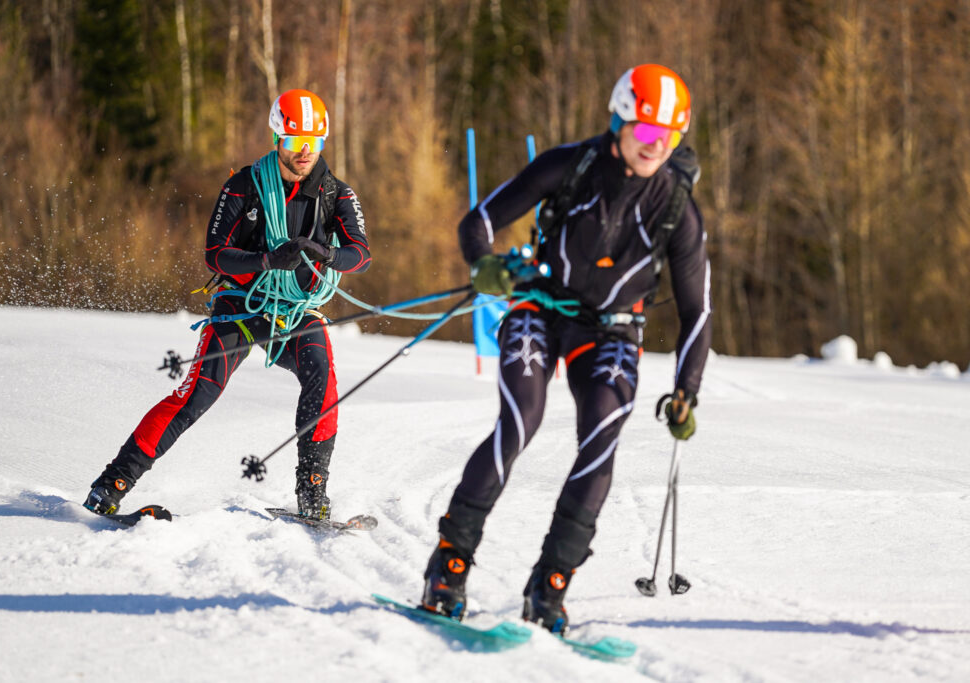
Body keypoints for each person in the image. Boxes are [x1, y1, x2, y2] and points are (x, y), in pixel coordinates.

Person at [420, 64, 712, 633]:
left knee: (602, 439)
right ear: (619, 121)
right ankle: (448, 567)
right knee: (520, 421)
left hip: (611, 333)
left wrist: (686, 391)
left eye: (670, 138)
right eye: (648, 133)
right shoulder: (570, 165)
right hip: (541, 311)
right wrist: (483, 264)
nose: (657, 148)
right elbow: (480, 218)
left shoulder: (679, 208)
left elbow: (697, 310)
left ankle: (551, 584)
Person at [84, 89, 371, 521]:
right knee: (196, 394)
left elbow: (361, 254)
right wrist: (266, 260)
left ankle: (313, 493)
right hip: (240, 305)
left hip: (295, 311)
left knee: (323, 379)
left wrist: (326, 253)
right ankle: (110, 486)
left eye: (313, 144)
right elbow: (214, 252)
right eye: (295, 144)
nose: (304, 154)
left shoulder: (335, 194)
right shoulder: (244, 184)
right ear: (278, 139)